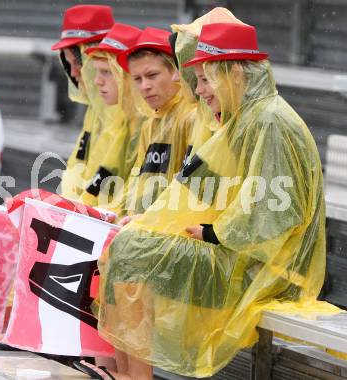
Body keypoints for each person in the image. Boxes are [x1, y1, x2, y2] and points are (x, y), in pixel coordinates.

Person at [91, 23, 337, 379]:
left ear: (234, 72)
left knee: (132, 251)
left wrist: (214, 233)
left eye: (206, 79)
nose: (201, 91)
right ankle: (124, 373)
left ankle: (135, 377)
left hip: (266, 263)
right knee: (126, 244)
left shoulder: (268, 120)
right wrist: (155, 223)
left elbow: (279, 210)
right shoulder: (244, 119)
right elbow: (198, 190)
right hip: (239, 246)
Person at [115, 27, 196, 221]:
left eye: (152, 75)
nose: (145, 86)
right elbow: (141, 183)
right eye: (137, 79)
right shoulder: (151, 124)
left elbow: (191, 190)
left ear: (175, 71)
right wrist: (120, 214)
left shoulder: (192, 117)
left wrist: (148, 220)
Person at [51, 5, 115, 201]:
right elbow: (77, 171)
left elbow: (113, 175)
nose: (73, 73)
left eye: (78, 63)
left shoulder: (123, 111)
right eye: (68, 64)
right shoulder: (95, 111)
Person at [78, 23, 143, 216]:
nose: (97, 81)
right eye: (97, 72)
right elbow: (104, 176)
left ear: (128, 75)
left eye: (106, 72)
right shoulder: (123, 120)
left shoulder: (147, 123)